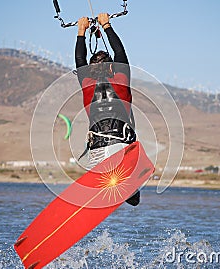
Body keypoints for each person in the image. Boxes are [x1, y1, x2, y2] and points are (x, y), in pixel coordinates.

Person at [75, 13, 140, 206]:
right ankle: (127, 189)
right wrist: (106, 24)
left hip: (96, 151)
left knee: (103, 189)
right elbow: (120, 52)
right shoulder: (121, 79)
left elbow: (80, 58)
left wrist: (81, 31)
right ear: (112, 68)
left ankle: (103, 186)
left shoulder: (86, 83)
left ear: (91, 70)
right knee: (134, 200)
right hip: (121, 149)